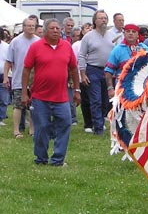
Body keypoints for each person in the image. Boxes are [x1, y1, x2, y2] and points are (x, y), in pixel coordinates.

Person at [22, 19, 81, 166]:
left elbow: (74, 69)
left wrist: (77, 89)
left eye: (58, 28)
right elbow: (26, 69)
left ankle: (58, 160)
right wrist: (24, 92)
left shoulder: (67, 46)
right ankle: (41, 159)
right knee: (42, 128)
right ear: (45, 31)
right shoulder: (35, 47)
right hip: (40, 97)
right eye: (52, 28)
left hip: (62, 98)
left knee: (65, 125)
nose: (56, 31)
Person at [104, 23, 148, 144]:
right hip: (122, 89)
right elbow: (108, 71)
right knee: (123, 116)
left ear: (138, 34)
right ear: (124, 33)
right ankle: (124, 141)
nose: (130, 33)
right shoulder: (118, 50)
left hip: (142, 89)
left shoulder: (144, 48)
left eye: (133, 31)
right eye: (128, 31)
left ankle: (142, 138)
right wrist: (110, 88)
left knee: (143, 113)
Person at [77, 10, 116, 135]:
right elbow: (81, 56)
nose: (103, 20)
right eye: (100, 18)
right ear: (95, 21)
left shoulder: (112, 36)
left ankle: (101, 121)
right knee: (96, 100)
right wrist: (83, 74)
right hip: (93, 70)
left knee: (106, 100)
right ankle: (98, 128)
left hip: (108, 71)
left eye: (105, 18)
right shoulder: (88, 36)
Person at [3, 17, 40, 138]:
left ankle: (32, 129)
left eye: (33, 26)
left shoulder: (39, 41)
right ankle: (16, 130)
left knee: (33, 106)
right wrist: (5, 77)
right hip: (19, 79)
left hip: (36, 80)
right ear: (23, 27)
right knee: (18, 105)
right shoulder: (15, 42)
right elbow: (8, 61)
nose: (31, 28)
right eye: (29, 26)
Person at [72, 23, 93, 132]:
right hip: (81, 76)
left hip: (95, 75)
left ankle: (97, 121)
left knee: (97, 100)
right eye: (87, 28)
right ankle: (88, 123)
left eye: (91, 28)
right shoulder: (77, 45)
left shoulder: (96, 42)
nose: (89, 29)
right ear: (82, 32)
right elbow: (73, 62)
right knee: (85, 100)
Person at [0, 28, 10, 125]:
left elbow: (9, 60)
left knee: (3, 98)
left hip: (3, 74)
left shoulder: (6, 46)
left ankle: (1, 118)